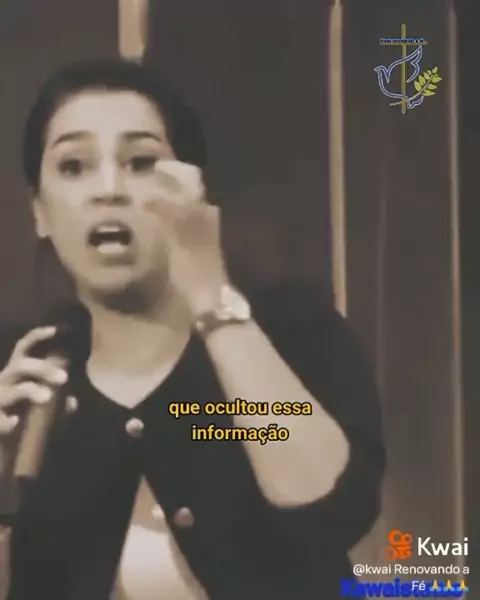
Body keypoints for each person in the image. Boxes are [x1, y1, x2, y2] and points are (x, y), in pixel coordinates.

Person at [0, 59, 385, 599]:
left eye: (140, 162)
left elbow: (333, 509)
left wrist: (212, 298)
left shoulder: (291, 330)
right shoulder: (30, 373)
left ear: (193, 193)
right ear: (40, 211)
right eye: (73, 166)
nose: (109, 190)